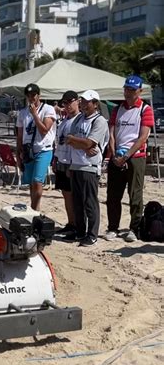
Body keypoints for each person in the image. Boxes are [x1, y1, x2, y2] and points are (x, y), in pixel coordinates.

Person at [105, 75, 154, 242]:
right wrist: (114, 153)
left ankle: (134, 228)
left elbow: (142, 137)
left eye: (132, 90)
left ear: (139, 91)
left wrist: (126, 156)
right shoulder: (117, 109)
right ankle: (112, 227)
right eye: (126, 89)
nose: (128, 93)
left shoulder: (145, 109)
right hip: (117, 156)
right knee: (113, 195)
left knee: (135, 194)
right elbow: (111, 133)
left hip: (136, 157)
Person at [66, 90, 109, 246]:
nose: (83, 104)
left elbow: (90, 143)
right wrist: (83, 144)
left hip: (90, 166)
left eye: (87, 102)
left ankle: (92, 234)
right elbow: (69, 139)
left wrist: (81, 143)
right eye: (82, 101)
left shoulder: (99, 121)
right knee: (77, 202)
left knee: (90, 202)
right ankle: (79, 232)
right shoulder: (79, 119)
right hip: (76, 164)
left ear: (95, 104)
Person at [16, 83, 57, 211]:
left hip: (43, 149)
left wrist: (35, 114)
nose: (31, 98)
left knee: (38, 180)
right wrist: (18, 154)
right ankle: (34, 208)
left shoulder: (48, 109)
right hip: (28, 150)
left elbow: (44, 130)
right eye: (29, 95)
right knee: (31, 183)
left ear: (39, 95)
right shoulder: (22, 113)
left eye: (33, 95)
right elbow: (20, 135)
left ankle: (33, 210)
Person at [53, 91, 80, 234]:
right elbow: (59, 142)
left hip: (73, 161)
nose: (68, 105)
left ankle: (77, 224)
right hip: (61, 160)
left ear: (77, 101)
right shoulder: (64, 121)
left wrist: (72, 164)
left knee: (75, 195)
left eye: (70, 102)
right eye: (65, 103)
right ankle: (71, 222)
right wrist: (55, 159)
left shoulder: (79, 120)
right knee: (66, 194)